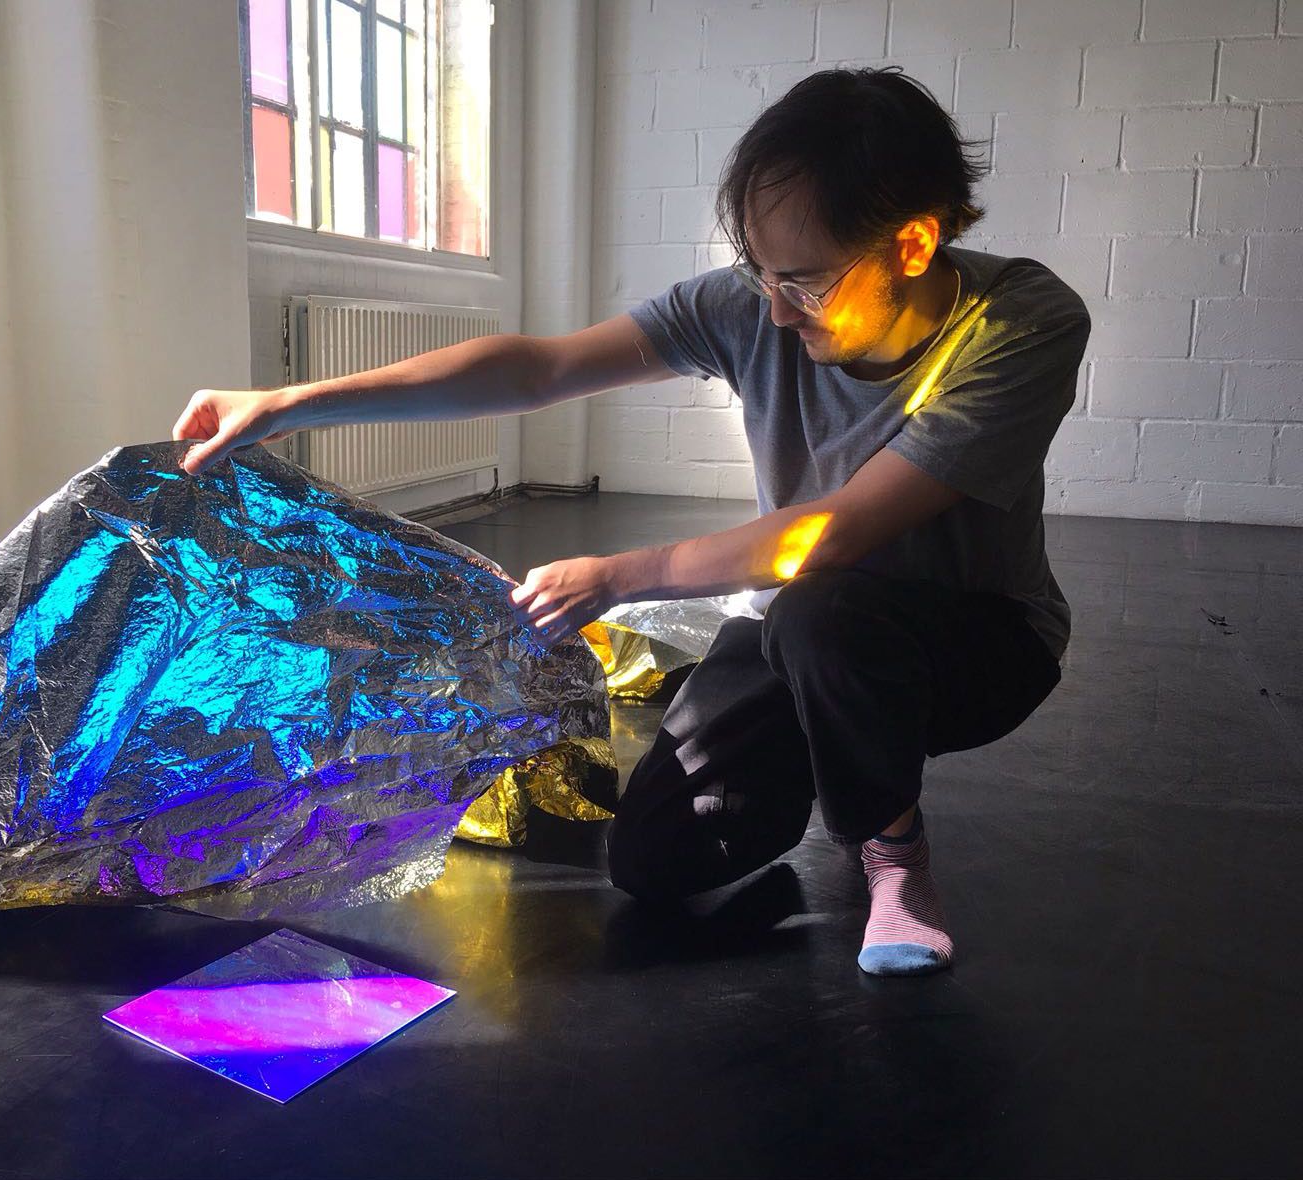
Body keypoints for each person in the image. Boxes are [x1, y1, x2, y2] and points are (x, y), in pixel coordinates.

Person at [173, 68, 1089, 977]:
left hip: (976, 642)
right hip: (807, 637)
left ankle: (893, 860)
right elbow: (539, 369)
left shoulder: (1021, 324)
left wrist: (619, 575)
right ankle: (840, 750)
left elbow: (837, 534)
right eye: (760, 274)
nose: (772, 309)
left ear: (915, 244)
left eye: (803, 283)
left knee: (826, 611)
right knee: (656, 862)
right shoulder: (754, 305)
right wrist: (293, 402)